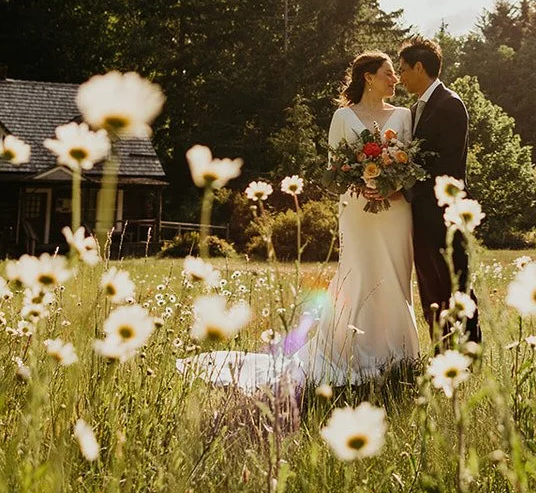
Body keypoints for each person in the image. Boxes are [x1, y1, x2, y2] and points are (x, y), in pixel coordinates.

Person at [177, 51, 419, 390]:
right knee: (359, 276)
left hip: (394, 212)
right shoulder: (343, 116)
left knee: (394, 277)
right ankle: (352, 351)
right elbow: (334, 169)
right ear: (368, 76)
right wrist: (361, 184)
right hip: (357, 210)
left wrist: (389, 185)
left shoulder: (405, 115)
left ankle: (401, 358)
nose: (395, 79)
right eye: (388, 73)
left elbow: (410, 164)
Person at [397, 36, 481, 345]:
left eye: (403, 69)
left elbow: (449, 167)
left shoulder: (449, 104)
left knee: (456, 284)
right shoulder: (415, 109)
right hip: (420, 212)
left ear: (420, 67)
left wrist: (406, 181)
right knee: (430, 288)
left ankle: (470, 351)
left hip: (445, 214)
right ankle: (441, 350)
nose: (400, 76)